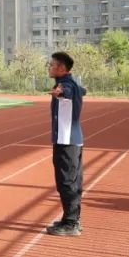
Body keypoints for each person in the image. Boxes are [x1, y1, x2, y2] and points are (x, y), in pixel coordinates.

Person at [46, 51, 87, 237]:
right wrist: (80, 90)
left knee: (66, 182)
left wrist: (61, 93)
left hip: (66, 141)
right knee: (73, 181)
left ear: (62, 68)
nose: (49, 67)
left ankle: (71, 223)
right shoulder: (73, 83)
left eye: (52, 65)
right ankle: (71, 219)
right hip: (74, 140)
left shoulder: (65, 86)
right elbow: (80, 90)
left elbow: (66, 92)